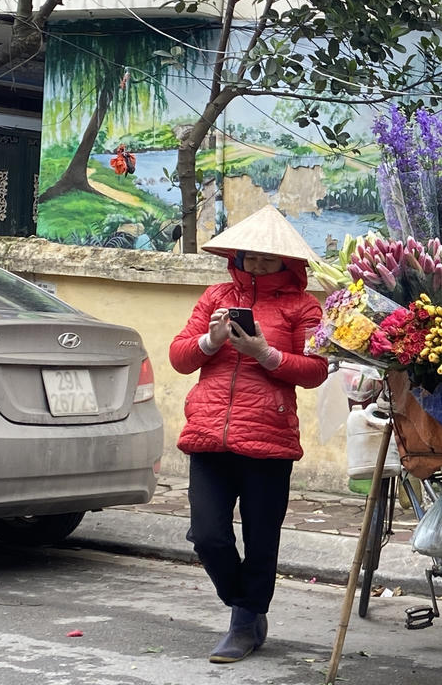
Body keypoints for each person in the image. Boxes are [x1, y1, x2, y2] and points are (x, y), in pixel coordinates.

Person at [168, 205, 328, 664]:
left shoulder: (303, 306)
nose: (257, 264)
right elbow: (180, 358)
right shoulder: (215, 295)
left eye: (268, 258)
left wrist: (264, 352)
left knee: (261, 539)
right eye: (249, 256)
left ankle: (244, 624)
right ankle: (248, 605)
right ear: (236, 256)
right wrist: (212, 340)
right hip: (207, 435)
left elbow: (316, 370)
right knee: (208, 536)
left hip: (269, 437)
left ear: (288, 263)